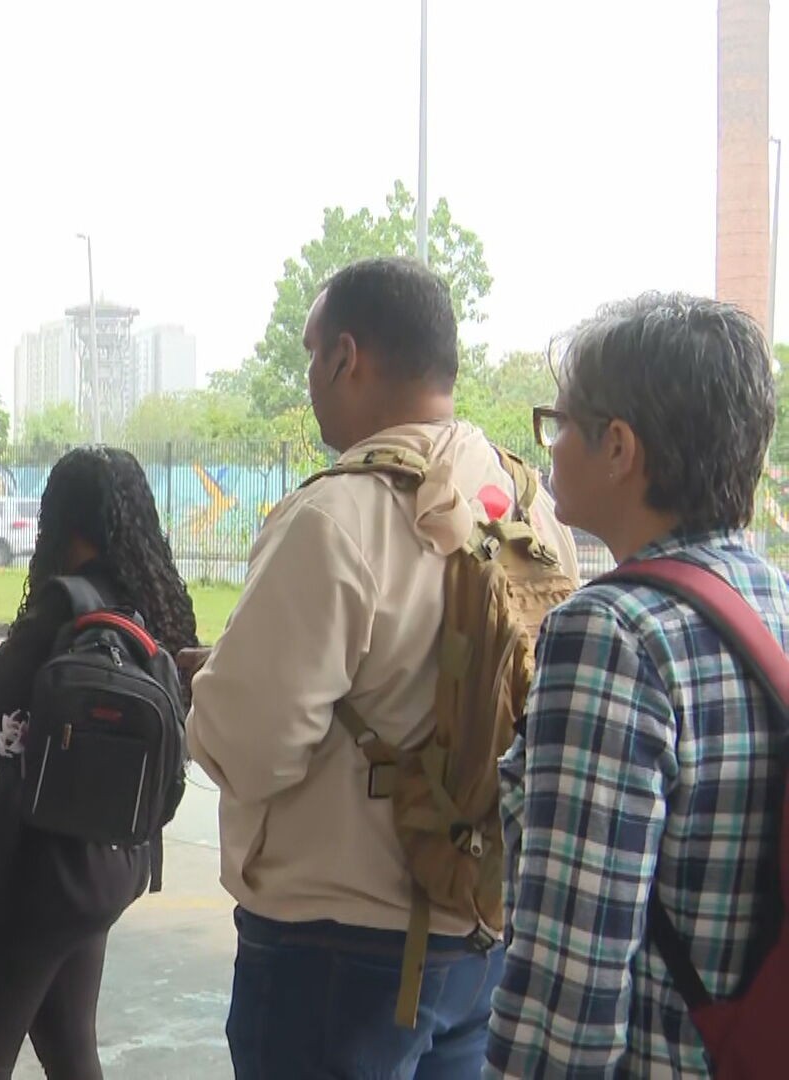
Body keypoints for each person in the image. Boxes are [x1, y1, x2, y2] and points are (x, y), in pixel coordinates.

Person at [185, 257, 578, 1077]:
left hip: (335, 953)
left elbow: (252, 749)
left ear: (346, 358)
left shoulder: (335, 516)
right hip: (477, 932)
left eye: (310, 353)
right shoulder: (529, 502)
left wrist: (208, 687)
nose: (310, 376)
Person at [487, 294, 785, 1076]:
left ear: (617, 446)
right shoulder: (776, 599)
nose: (547, 449)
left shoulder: (612, 633)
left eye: (559, 422)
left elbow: (570, 975)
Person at [0, 446, 199, 1080]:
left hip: (33, 874)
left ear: (65, 520)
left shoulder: (67, 609)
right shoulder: (159, 608)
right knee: (65, 1041)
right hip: (110, 867)